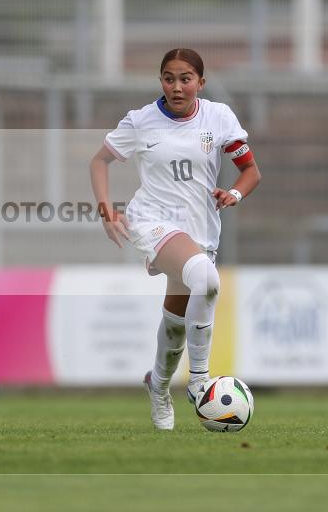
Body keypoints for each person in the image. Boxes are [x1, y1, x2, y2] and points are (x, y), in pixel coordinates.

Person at [89, 48, 260, 430]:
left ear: (201, 82)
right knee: (207, 280)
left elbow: (250, 171)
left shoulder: (218, 117)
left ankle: (158, 386)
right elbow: (98, 161)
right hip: (151, 221)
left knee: (177, 319)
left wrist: (233, 194)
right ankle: (200, 382)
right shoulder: (141, 121)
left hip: (200, 231)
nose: (177, 86)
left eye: (186, 79)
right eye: (169, 78)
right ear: (160, 81)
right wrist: (106, 208)